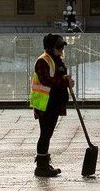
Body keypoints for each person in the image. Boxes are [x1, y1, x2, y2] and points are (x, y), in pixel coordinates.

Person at [29, 33, 74, 177]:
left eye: (62, 47)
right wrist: (64, 82)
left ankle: (44, 163)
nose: (61, 50)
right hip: (45, 103)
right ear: (50, 47)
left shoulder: (56, 59)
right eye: (59, 47)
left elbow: (56, 76)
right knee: (45, 134)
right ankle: (41, 167)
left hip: (54, 102)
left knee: (47, 134)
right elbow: (46, 80)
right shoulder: (43, 60)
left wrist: (65, 79)